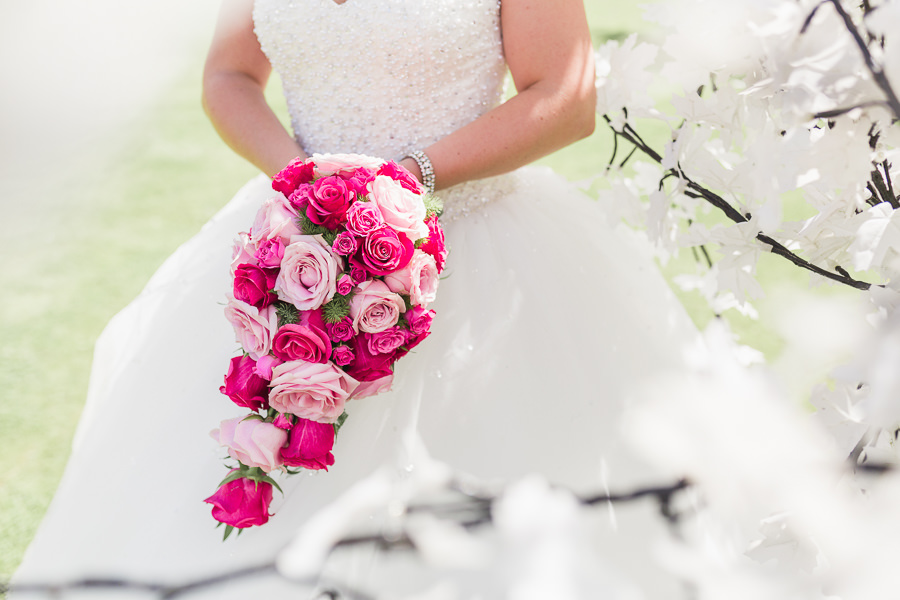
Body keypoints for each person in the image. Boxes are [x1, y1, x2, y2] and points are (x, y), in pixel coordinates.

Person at [12, 0, 698, 597]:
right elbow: (229, 76)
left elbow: (566, 97)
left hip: (477, 256)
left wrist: (404, 182)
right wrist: (303, 184)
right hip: (298, 240)